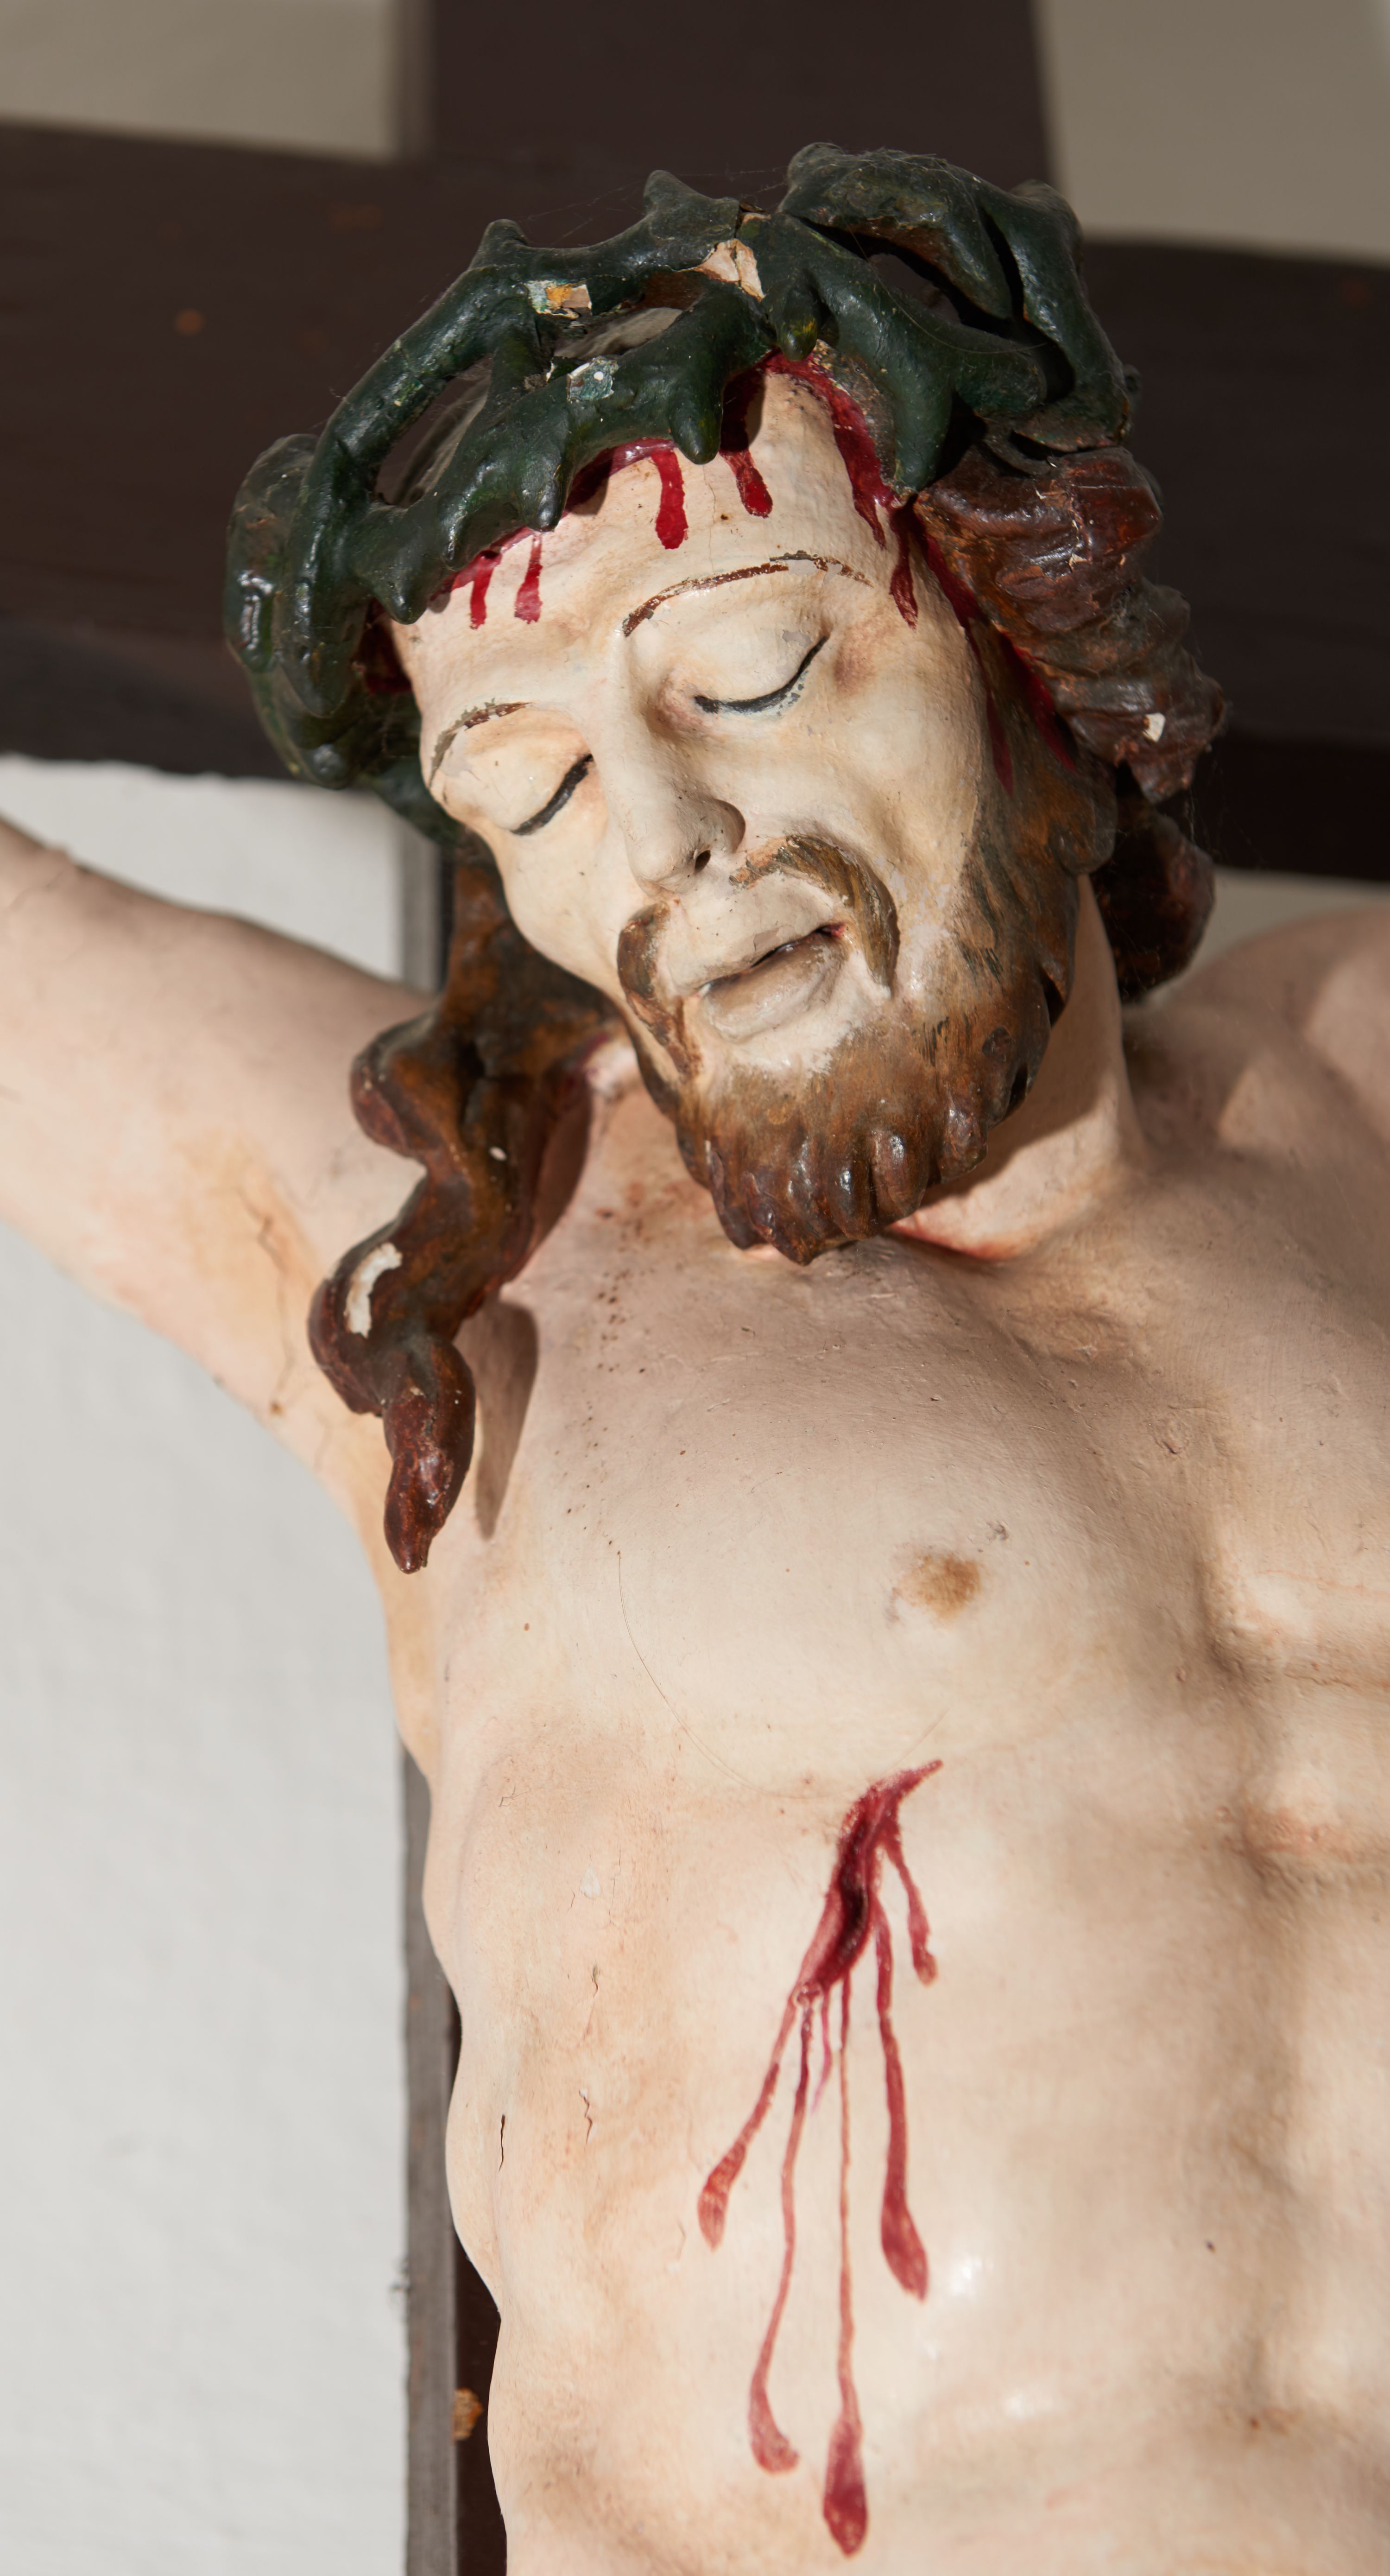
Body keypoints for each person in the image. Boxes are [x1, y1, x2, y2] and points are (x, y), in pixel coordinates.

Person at [2, 147, 1387, 2570]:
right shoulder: (484, 1250)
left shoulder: (1354, 1094)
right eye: (525, 781)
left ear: (1013, 626)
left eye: (746, 667)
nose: (657, 831)